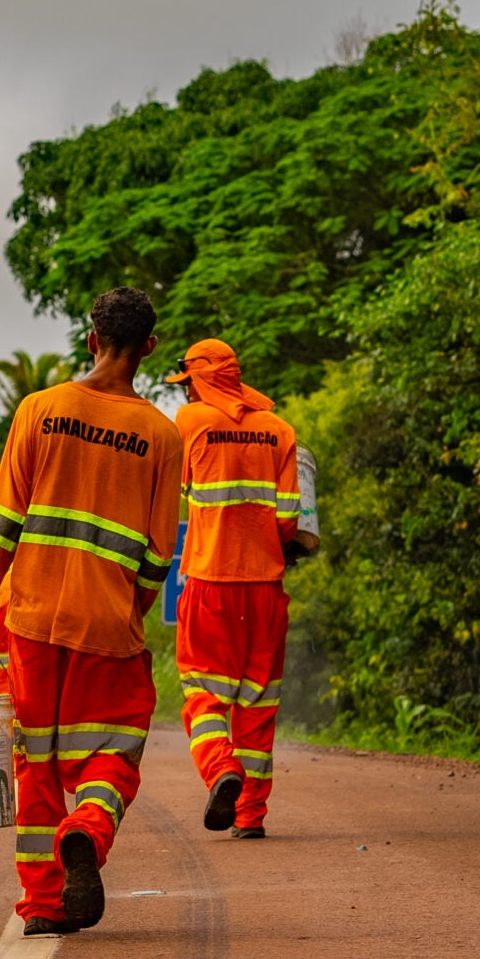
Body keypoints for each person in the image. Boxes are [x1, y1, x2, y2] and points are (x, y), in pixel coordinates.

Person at [0, 288, 183, 935]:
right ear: (149, 349)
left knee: (35, 763)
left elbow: (0, 524)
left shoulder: (39, 410)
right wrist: (130, 612)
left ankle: (44, 904)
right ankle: (88, 829)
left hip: (32, 622)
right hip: (109, 627)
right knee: (114, 752)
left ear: (91, 340)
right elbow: (160, 553)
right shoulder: (160, 433)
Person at [167, 339, 303, 839]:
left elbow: (174, 494)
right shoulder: (281, 431)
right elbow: (290, 519)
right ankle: (250, 816)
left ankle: (221, 769)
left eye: (187, 386)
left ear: (200, 381)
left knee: (203, 695)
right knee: (258, 706)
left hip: (210, 583)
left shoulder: (190, 424)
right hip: (267, 588)